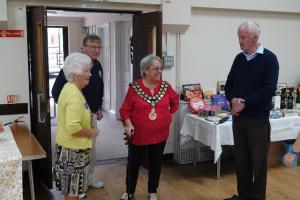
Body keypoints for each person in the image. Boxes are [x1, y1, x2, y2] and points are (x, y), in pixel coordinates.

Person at [224, 21, 279, 200]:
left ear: (255, 38)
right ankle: (243, 196)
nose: (240, 41)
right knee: (241, 162)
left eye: (243, 38)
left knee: (258, 164)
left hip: (257, 120)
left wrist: (245, 102)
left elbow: (269, 89)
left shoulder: (269, 59)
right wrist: (232, 100)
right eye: (239, 37)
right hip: (239, 119)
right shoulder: (239, 58)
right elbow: (229, 85)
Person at [119, 55, 179, 200]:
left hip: (161, 134)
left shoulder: (165, 86)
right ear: (145, 70)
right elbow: (125, 110)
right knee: (134, 163)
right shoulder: (134, 88)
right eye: (156, 69)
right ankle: (130, 191)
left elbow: (175, 100)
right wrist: (128, 123)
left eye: (160, 68)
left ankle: (153, 191)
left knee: (156, 163)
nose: (160, 71)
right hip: (138, 134)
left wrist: (170, 115)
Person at [52, 34, 104, 196]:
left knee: (90, 150)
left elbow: (98, 88)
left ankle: (86, 179)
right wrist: (74, 108)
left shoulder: (98, 65)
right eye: (92, 46)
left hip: (90, 113)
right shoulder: (73, 68)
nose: (96, 50)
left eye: (98, 47)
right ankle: (75, 186)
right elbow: (56, 92)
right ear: (83, 47)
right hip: (78, 115)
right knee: (75, 155)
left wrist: (98, 106)